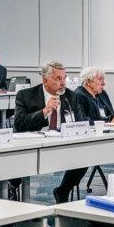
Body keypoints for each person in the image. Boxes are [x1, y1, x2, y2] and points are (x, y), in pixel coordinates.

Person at [14, 60, 87, 202]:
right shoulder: (26, 95)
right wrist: (44, 111)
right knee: (16, 159)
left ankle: (63, 190)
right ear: (45, 80)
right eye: (58, 79)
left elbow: (80, 123)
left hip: (62, 141)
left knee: (84, 157)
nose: (63, 83)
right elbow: (19, 124)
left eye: (64, 78)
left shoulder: (71, 96)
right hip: (33, 143)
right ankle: (12, 187)